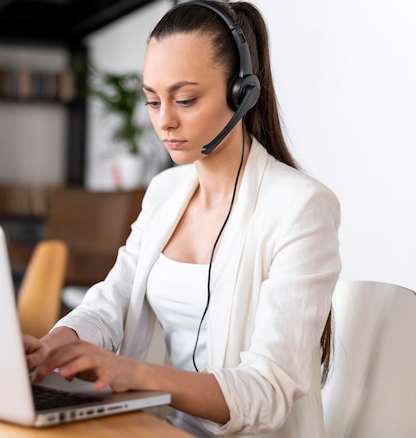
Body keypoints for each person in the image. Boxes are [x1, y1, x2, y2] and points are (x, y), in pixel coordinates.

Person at [24, 1, 341, 436]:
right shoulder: (164, 192)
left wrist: (135, 374)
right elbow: (111, 301)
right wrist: (55, 346)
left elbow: (267, 392)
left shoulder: (301, 208)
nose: (164, 121)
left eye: (185, 99)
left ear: (241, 92)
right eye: (152, 100)